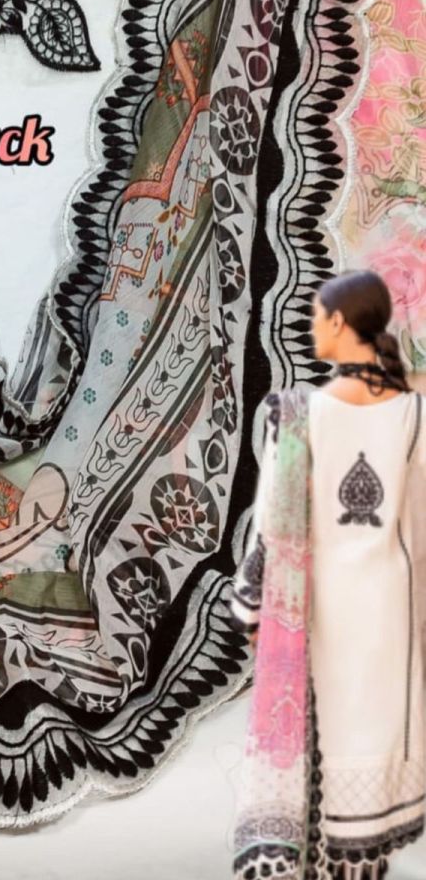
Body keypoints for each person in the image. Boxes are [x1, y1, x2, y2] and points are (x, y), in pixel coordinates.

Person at [229, 269, 425, 880]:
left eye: (316, 316)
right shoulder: (415, 414)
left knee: (319, 742)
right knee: (370, 739)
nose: (313, 328)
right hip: (390, 610)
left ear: (340, 323)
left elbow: (273, 524)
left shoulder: (297, 414)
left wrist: (252, 605)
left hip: (318, 608)